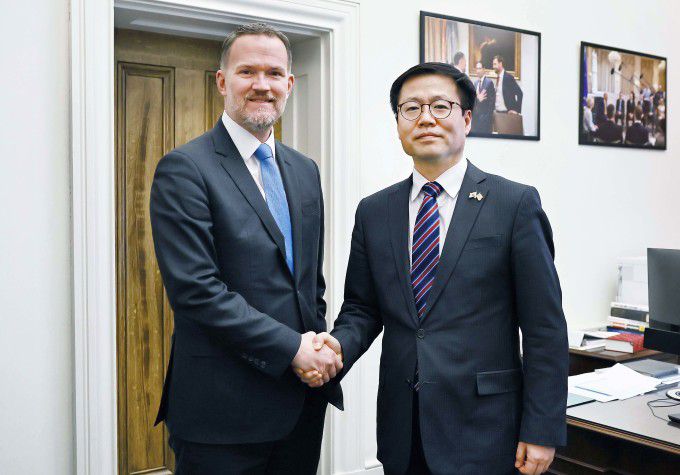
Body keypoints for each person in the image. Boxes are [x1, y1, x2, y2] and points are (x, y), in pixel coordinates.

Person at [300, 62, 568, 475]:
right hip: (403, 427)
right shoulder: (374, 211)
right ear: (398, 125)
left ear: (466, 119)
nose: (425, 118)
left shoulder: (514, 204)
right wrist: (336, 348)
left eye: (440, 106)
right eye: (411, 108)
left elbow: (544, 327)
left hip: (487, 429)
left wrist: (542, 428)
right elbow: (361, 309)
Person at [149, 22, 343, 474]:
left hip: (300, 403)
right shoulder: (185, 169)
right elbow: (197, 292)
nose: (262, 85)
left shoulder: (305, 170)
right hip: (221, 414)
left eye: (274, 74)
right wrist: (293, 349)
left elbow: (307, 283)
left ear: (289, 84)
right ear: (222, 81)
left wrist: (315, 353)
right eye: (247, 72)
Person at [470, 61, 496, 134]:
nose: (477, 71)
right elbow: (473, 101)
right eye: (476, 69)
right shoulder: (475, 83)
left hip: (485, 121)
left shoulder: (489, 83)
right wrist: (478, 99)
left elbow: (492, 103)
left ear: (484, 69)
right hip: (475, 120)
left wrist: (487, 118)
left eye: (479, 68)